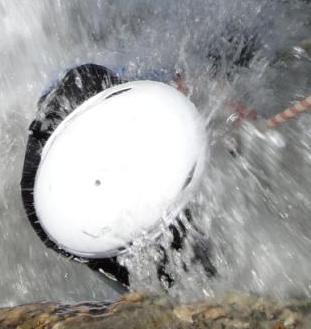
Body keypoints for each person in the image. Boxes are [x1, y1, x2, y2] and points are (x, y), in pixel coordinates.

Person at [21, 63, 210, 287]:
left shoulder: (98, 86)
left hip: (92, 103)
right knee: (176, 279)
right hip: (69, 218)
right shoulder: (52, 209)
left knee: (170, 277)